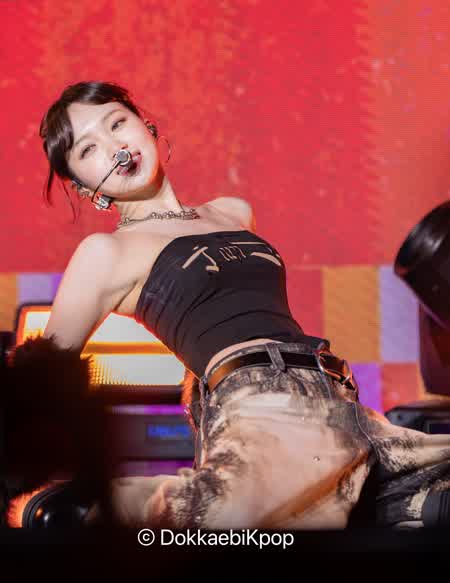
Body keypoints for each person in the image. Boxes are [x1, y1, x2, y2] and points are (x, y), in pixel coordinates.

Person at [13, 79, 450, 530]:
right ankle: (90, 510)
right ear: (85, 188)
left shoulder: (234, 212)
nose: (113, 147)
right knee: (227, 521)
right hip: (265, 410)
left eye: (117, 123)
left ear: (146, 125)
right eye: (88, 149)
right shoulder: (106, 252)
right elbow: (39, 377)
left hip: (343, 403)